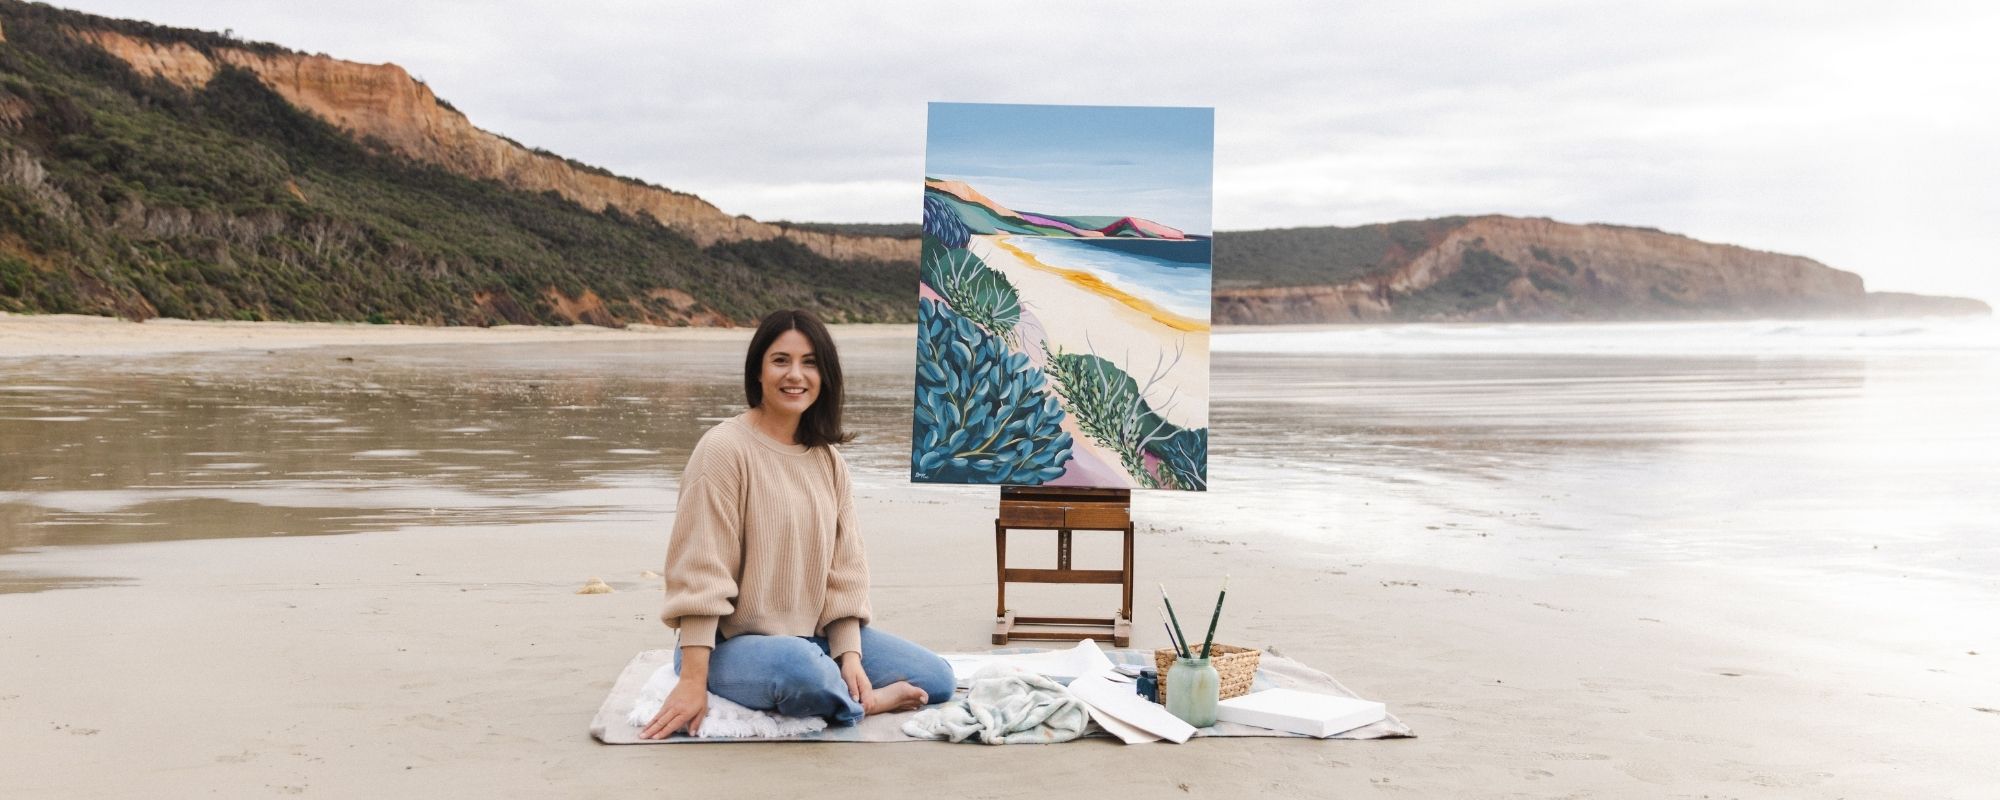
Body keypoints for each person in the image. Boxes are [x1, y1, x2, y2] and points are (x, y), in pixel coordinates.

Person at [641, 309, 955, 739]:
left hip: (812, 635)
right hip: (730, 647)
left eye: (810, 362)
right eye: (780, 360)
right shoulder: (723, 449)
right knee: (798, 670)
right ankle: (870, 704)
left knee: (936, 678)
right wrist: (693, 681)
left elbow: (844, 572)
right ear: (757, 372)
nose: (796, 375)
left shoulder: (828, 461)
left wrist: (849, 656)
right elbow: (701, 570)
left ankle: (843, 688)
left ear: (825, 375)